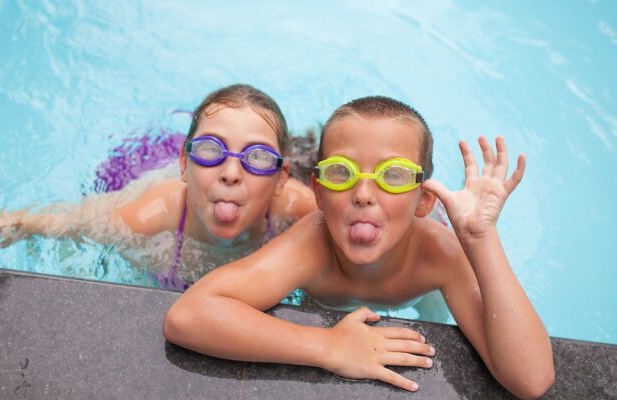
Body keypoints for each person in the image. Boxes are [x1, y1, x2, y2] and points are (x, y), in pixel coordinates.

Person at [162, 96, 555, 398]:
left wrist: (480, 240)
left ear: (423, 200)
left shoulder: (441, 253)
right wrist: (328, 346)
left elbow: (532, 380)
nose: (364, 194)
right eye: (341, 173)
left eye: (393, 176)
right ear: (317, 193)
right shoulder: (310, 242)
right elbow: (188, 316)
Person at [0, 84, 317, 289]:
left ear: (281, 178)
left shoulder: (296, 208)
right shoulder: (148, 215)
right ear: (185, 164)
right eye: (211, 149)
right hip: (139, 169)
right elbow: (31, 221)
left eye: (257, 157)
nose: (231, 173)